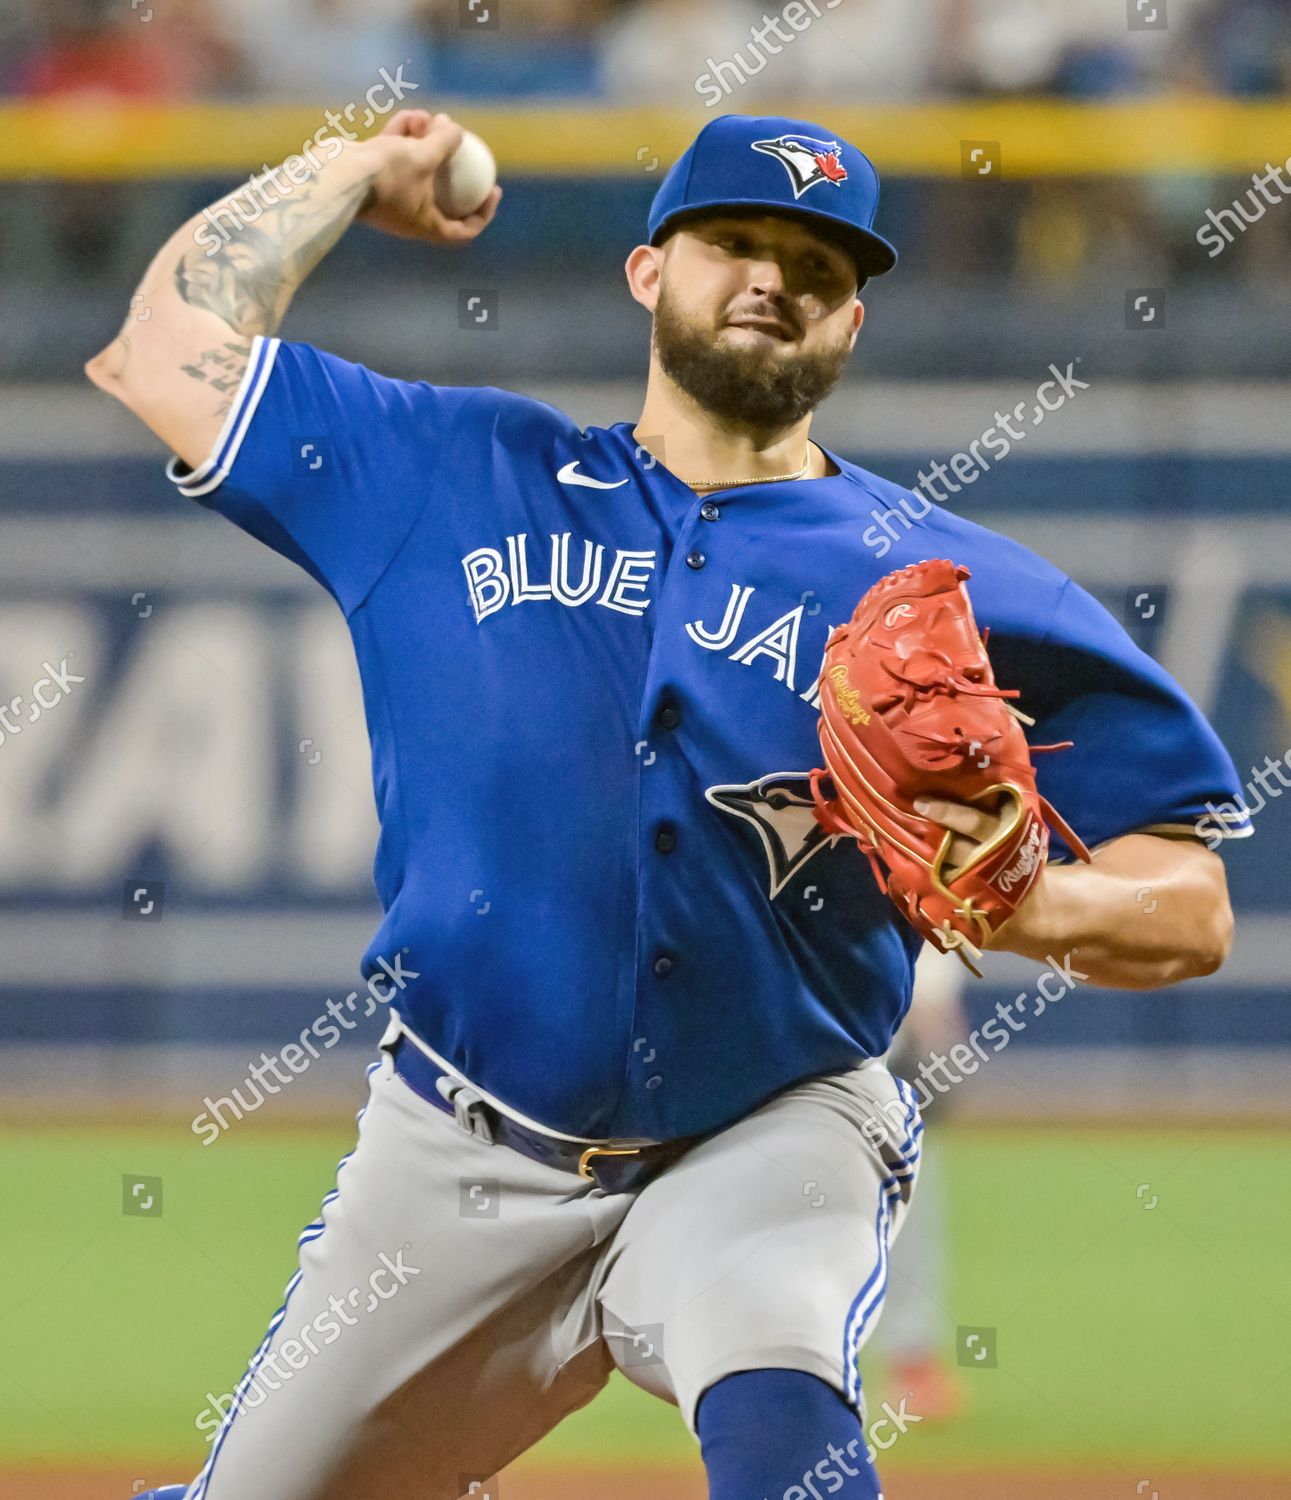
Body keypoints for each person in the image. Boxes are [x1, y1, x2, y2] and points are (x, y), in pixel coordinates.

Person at [85, 108, 1246, 1500]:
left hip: (768, 1127)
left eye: (816, 262)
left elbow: (1190, 911)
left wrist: (1033, 898)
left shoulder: (945, 584)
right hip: (456, 1149)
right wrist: (346, 167)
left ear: (855, 320)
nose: (772, 277)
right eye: (734, 243)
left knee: (781, 1410)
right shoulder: (453, 477)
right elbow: (161, 349)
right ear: (649, 274)